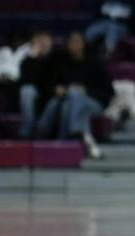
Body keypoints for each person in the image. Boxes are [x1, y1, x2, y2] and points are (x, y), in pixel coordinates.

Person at [33, 30, 111, 158]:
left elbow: (108, 91)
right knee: (66, 104)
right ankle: (65, 140)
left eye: (77, 41)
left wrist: (85, 91)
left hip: (94, 102)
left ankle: (69, 132)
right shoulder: (60, 62)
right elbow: (47, 84)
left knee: (75, 95)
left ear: (83, 44)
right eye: (71, 41)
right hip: (65, 101)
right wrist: (57, 89)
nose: (74, 45)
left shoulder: (94, 62)